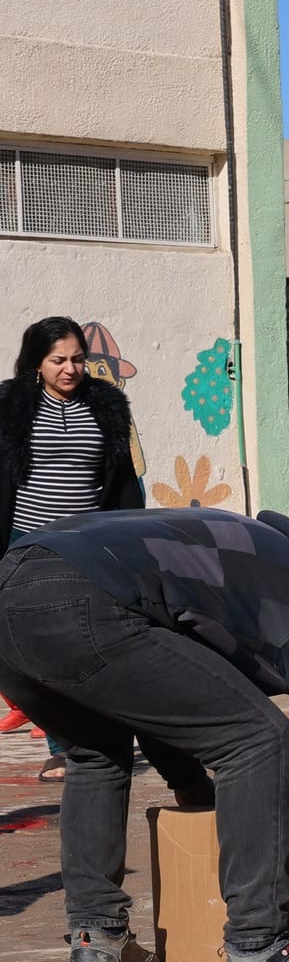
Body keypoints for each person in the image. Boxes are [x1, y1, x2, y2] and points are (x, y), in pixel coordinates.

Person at [0, 508, 289, 962]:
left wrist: (193, 789)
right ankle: (259, 953)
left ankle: (98, 940)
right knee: (261, 740)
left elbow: (166, 684)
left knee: (97, 752)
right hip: (83, 593)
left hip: (14, 586)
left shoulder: (268, 557)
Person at [0, 317, 146, 779]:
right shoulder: (10, 407)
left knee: (86, 642)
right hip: (26, 543)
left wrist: (133, 537)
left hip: (87, 544)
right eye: (58, 360)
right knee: (38, 649)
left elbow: (124, 480)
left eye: (78, 359)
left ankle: (89, 737)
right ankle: (63, 742)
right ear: (36, 363)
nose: (70, 369)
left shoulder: (108, 407)